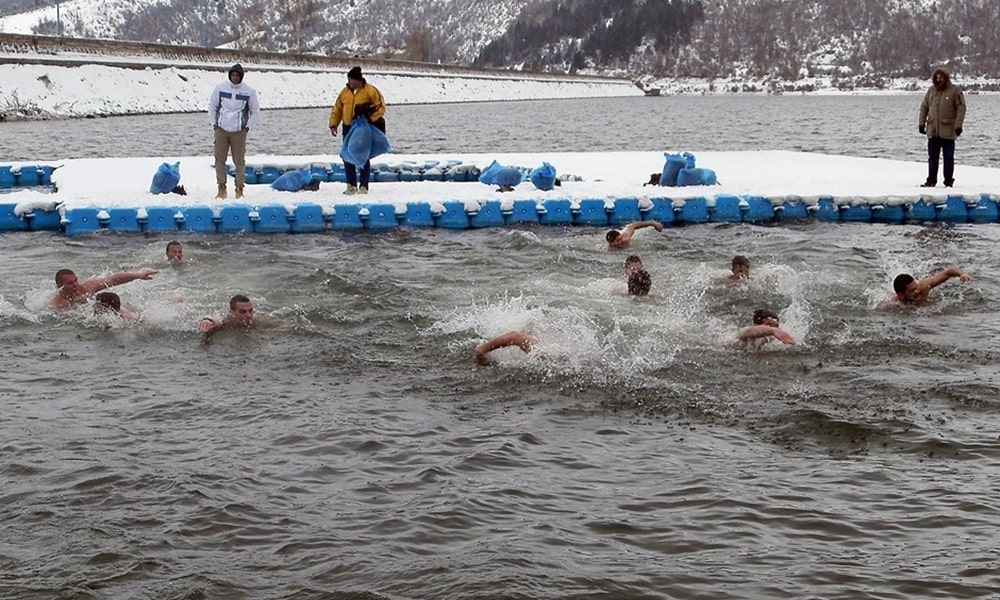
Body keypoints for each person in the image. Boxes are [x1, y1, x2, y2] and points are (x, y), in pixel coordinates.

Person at [329, 66, 387, 196]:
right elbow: (337, 108)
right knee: (347, 155)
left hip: (362, 128)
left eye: (351, 79)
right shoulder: (344, 92)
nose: (349, 82)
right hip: (348, 127)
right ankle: (351, 185)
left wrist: (370, 119)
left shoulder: (370, 91)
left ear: (357, 80)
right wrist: (333, 124)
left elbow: (381, 107)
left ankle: (364, 185)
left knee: (362, 155)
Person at [209, 63, 261, 200]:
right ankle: (221, 187)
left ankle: (239, 188)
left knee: (239, 161)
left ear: (241, 77)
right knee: (219, 160)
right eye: (233, 75)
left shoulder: (249, 91)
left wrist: (247, 127)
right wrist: (214, 124)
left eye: (238, 75)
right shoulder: (220, 88)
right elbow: (212, 107)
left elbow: (255, 111)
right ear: (230, 75)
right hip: (221, 130)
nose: (235, 78)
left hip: (239, 131)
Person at [918, 68, 966, 188]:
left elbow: (961, 108)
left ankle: (948, 181)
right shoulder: (931, 91)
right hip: (933, 130)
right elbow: (924, 107)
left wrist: (958, 126)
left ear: (946, 78)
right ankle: (931, 181)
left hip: (948, 131)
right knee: (932, 157)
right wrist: (921, 123)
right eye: (937, 77)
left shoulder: (955, 90)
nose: (939, 80)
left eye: (941, 77)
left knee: (948, 157)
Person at [50, 268, 157, 309]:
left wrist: (138, 275)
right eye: (70, 283)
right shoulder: (57, 305)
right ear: (60, 286)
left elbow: (113, 279)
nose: (76, 285)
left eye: (76, 280)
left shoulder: (86, 287)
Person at [198, 294, 282, 334]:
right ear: (232, 312)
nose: (248, 315)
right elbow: (215, 319)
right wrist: (207, 321)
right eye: (243, 312)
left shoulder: (257, 319)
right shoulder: (226, 320)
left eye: (250, 310)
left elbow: (280, 324)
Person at [892, 267, 974, 304]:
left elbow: (948, 272)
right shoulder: (894, 303)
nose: (917, 291)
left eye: (916, 287)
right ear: (900, 295)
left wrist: (962, 274)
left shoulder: (923, 287)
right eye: (912, 290)